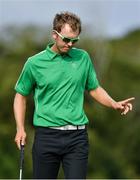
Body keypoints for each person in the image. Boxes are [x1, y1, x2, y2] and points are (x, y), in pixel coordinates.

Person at [14, 11, 135, 179]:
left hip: (77, 138)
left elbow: (94, 88)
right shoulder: (34, 63)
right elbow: (20, 95)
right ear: (54, 35)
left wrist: (113, 103)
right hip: (46, 137)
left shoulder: (82, 58)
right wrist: (20, 128)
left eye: (74, 40)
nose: (70, 44)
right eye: (66, 39)